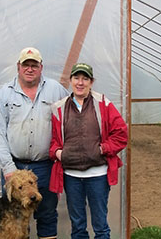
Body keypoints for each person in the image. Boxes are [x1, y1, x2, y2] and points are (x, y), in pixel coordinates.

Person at [0, 47, 69, 239]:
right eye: (26, 64)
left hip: (45, 166)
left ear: (41, 67)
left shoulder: (55, 89)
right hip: (14, 169)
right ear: (18, 67)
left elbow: (71, 116)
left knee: (47, 214)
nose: (30, 69)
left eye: (34, 65)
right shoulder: (5, 94)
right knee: (13, 218)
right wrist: (8, 168)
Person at [48, 63, 128, 239]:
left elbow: (121, 134)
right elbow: (54, 141)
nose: (80, 82)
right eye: (76, 78)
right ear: (70, 81)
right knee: (77, 226)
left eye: (85, 79)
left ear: (91, 82)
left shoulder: (103, 104)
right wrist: (59, 153)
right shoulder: (59, 108)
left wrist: (102, 149)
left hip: (98, 175)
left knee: (100, 225)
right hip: (71, 176)